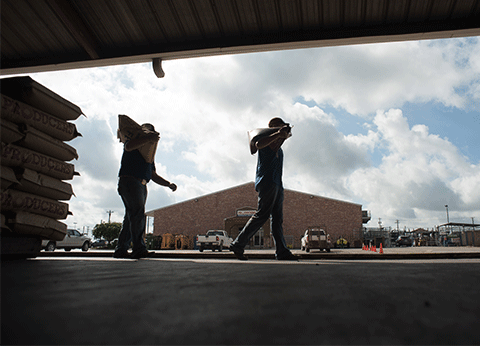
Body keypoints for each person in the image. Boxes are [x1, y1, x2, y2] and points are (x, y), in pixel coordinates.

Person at [230, 117, 299, 261]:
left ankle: (282, 251)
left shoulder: (277, 146)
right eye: (279, 127)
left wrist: (283, 136)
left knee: (277, 219)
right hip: (268, 181)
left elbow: (276, 143)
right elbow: (258, 144)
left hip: (277, 184)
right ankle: (238, 244)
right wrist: (277, 134)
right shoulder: (266, 138)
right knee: (262, 215)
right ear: (272, 127)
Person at [114, 123, 177, 259]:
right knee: (137, 215)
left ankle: (121, 250)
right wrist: (148, 138)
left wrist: (168, 184)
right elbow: (128, 146)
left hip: (141, 184)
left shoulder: (148, 153)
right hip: (130, 182)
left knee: (130, 218)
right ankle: (139, 249)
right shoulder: (134, 143)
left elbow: (153, 174)